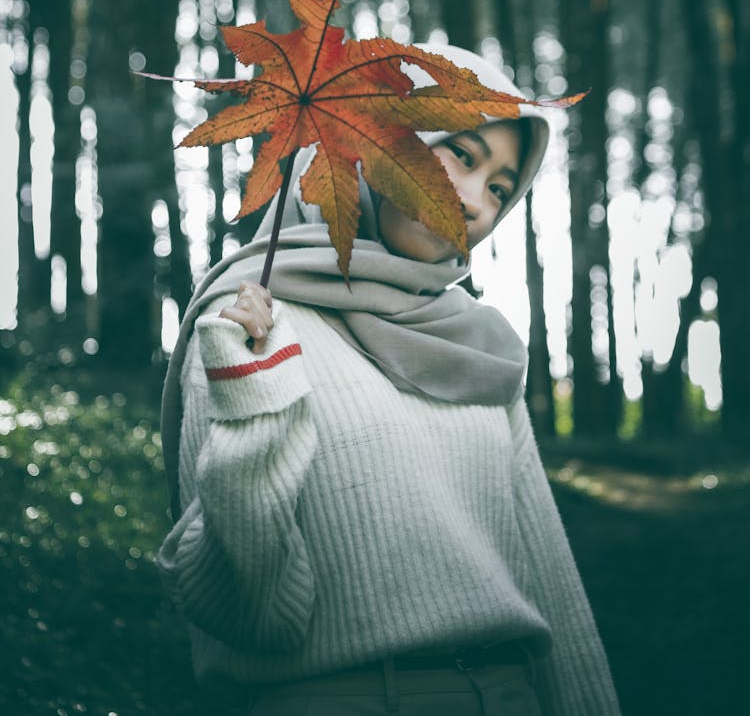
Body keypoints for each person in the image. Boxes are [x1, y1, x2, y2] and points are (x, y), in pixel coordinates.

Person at [157, 43, 621, 715]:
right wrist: (254, 406)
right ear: (376, 136)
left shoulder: (479, 345)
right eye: (461, 153)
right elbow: (254, 615)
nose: (474, 200)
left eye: (499, 188)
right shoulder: (247, 318)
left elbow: (549, 582)